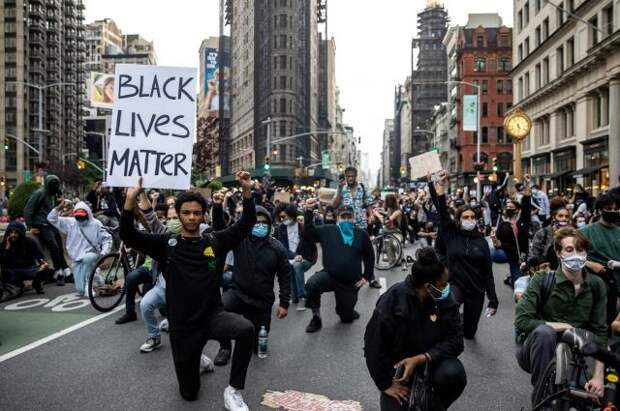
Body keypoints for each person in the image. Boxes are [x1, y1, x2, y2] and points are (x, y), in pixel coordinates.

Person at [120, 173, 256, 410]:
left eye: (196, 213)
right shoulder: (165, 244)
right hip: (182, 326)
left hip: (212, 316)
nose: (191, 217)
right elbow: (128, 234)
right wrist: (130, 200)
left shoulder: (215, 241)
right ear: (179, 214)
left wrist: (246, 191)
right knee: (189, 394)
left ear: (203, 215)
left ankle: (233, 391)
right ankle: (197, 359)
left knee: (246, 330)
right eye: (186, 213)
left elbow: (246, 224)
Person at [364, 247, 467, 410]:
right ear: (428, 286)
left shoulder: (445, 300)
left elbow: (456, 341)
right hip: (400, 370)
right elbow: (373, 345)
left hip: (432, 362)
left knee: (454, 374)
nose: (447, 288)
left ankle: (434, 405)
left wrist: (422, 358)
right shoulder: (393, 300)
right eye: (443, 285)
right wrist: (386, 385)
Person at [515, 227, 607, 395]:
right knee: (545, 332)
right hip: (536, 350)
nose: (576, 255)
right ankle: (543, 395)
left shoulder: (596, 285)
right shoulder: (542, 279)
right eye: (569, 250)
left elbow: (600, 333)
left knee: (589, 395)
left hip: (574, 355)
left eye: (580, 250)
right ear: (559, 253)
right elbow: (521, 321)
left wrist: (598, 376)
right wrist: (563, 326)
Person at [213, 205, 291, 366]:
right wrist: (217, 207)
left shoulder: (277, 248)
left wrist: (284, 303)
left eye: (264, 222)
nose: (260, 225)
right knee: (220, 310)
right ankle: (225, 347)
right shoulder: (239, 240)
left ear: (269, 224)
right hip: (238, 294)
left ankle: (256, 339)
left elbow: (285, 276)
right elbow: (220, 232)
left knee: (257, 346)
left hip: (262, 301)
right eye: (256, 222)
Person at [429, 170, 498, 339]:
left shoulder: (482, 243)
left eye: (472, 217)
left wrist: (493, 299)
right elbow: (442, 211)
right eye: (465, 217)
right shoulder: (452, 235)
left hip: (476, 290)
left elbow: (487, 273)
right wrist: (439, 186)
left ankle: (463, 321)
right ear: (459, 220)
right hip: (456, 285)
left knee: (469, 333)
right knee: (449, 306)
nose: (469, 220)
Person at [303, 202, 375, 333]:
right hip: (330, 275)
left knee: (346, 318)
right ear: (337, 218)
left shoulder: (361, 234)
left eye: (349, 217)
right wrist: (308, 211)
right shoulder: (328, 230)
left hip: (350, 282)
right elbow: (309, 234)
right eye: (343, 217)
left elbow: (369, 256)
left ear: (353, 218)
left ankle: (348, 310)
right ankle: (316, 318)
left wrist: (366, 277)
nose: (346, 220)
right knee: (312, 284)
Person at [47, 200, 113, 296]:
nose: (80, 219)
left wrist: (104, 253)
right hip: (77, 258)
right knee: (80, 289)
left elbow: (107, 239)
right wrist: (58, 208)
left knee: (88, 258)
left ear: (88, 214)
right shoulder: (70, 223)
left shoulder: (96, 224)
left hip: (92, 255)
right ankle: (96, 277)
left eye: (82, 216)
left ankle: (88, 284)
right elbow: (51, 218)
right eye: (78, 216)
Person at [331, 167, 381, 289]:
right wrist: (339, 189)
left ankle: (371, 278)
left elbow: (368, 203)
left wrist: (371, 215)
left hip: (360, 224)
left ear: (356, 176)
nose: (350, 178)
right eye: (348, 176)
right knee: (343, 251)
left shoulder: (362, 188)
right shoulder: (342, 189)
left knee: (366, 251)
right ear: (345, 176)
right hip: (345, 225)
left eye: (352, 176)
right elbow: (334, 205)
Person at [580, 193, 620, 327]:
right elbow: (570, 256)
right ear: (600, 210)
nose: (613, 211)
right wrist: (590, 264)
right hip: (595, 281)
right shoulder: (586, 231)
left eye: (616, 208)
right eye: (609, 208)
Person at [23, 174, 71, 285]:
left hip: (50, 223)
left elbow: (50, 209)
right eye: (53, 185)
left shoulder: (51, 194)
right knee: (54, 247)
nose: (55, 188)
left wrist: (59, 201)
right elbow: (28, 209)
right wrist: (30, 226)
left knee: (59, 247)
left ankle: (66, 270)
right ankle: (58, 272)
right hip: (41, 224)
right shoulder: (40, 193)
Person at [274, 203, 317, 310]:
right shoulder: (281, 228)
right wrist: (294, 256)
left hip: (305, 258)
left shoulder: (302, 227)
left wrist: (299, 256)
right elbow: (283, 247)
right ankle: (296, 296)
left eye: (284, 216)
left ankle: (303, 296)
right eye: (280, 217)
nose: (282, 219)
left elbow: (310, 245)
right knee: (293, 298)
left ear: (291, 215)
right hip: (290, 258)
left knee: (297, 265)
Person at [492, 175, 532, 287]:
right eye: (507, 207)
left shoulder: (523, 220)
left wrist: (527, 184)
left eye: (512, 207)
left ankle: (511, 280)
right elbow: (498, 243)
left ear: (518, 209)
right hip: (507, 253)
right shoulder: (503, 223)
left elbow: (526, 203)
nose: (509, 208)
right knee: (489, 253)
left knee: (518, 284)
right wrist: (494, 240)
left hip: (519, 256)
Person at [0, 221, 49, 295]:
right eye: (11, 232)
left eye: (16, 233)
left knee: (45, 269)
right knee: (6, 273)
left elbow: (40, 256)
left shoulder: (29, 242)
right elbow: (2, 262)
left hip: (28, 269)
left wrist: (44, 263)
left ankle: (36, 284)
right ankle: (18, 285)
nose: (13, 235)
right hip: (12, 271)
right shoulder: (5, 244)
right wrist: (7, 249)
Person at [529, 206, 572, 271]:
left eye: (567, 216)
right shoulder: (543, 233)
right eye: (560, 216)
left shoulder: (572, 234)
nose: (564, 219)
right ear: (554, 218)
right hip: (547, 271)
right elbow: (534, 255)